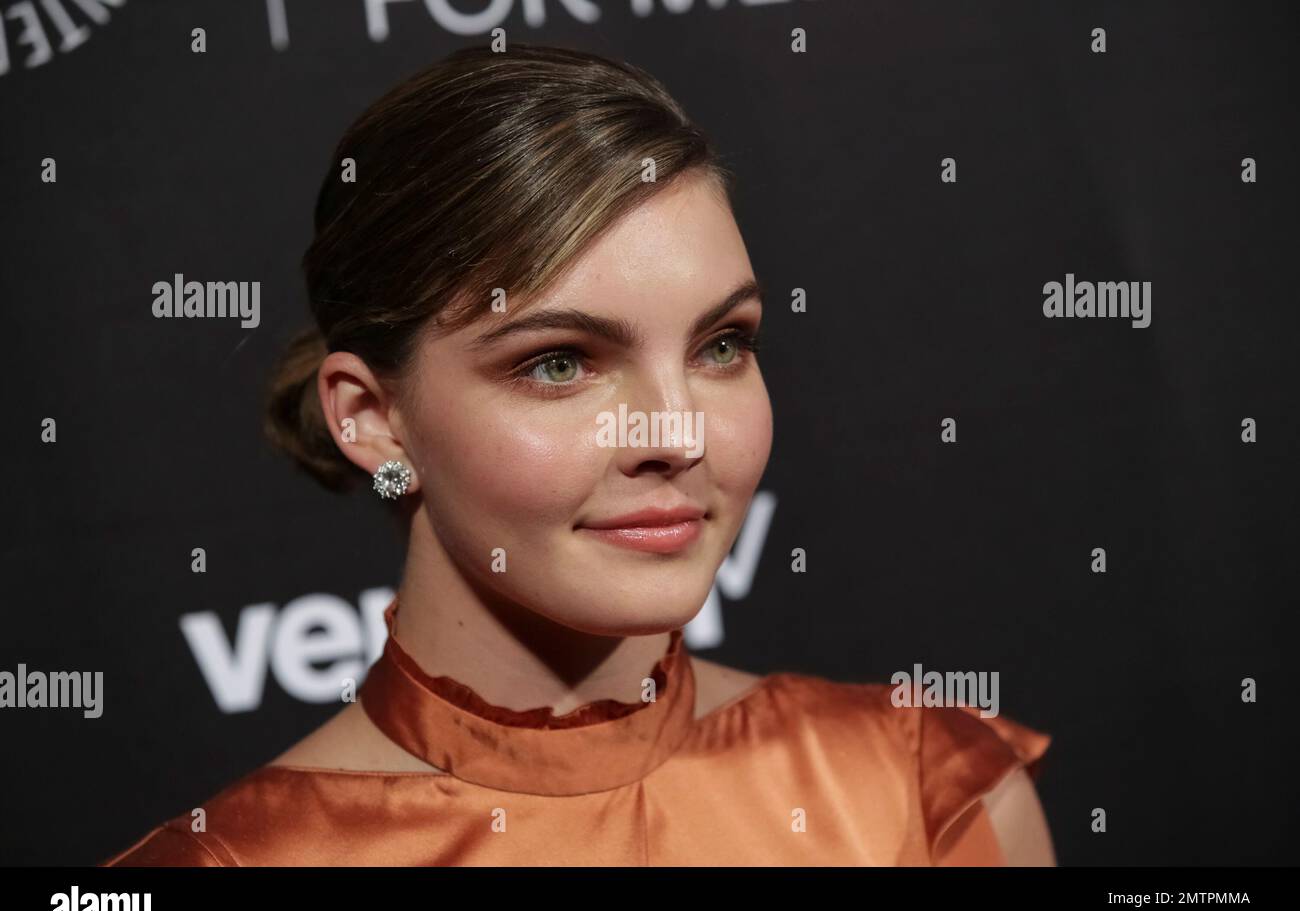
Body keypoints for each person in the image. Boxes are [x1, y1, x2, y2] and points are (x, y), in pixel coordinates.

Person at [101, 43, 1053, 867]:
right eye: (559, 363)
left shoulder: (925, 793)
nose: (676, 435)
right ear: (374, 420)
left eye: (722, 345)